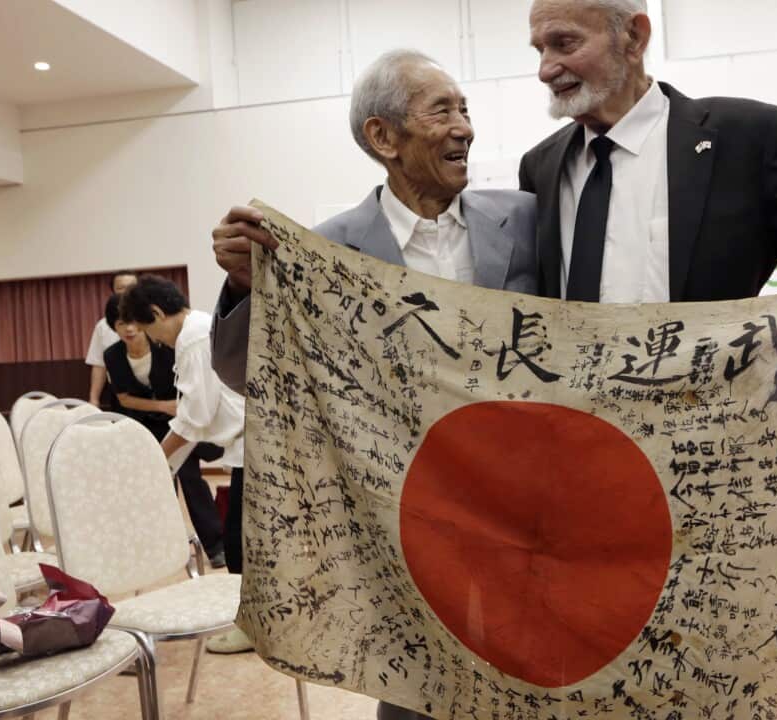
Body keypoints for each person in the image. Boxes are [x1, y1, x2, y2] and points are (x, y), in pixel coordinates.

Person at [208, 50, 538, 718]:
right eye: (441, 110)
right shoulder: (323, 250)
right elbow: (249, 373)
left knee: (530, 676)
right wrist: (246, 286)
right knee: (418, 687)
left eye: (465, 108)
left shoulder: (529, 219)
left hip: (521, 507)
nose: (464, 127)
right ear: (383, 137)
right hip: (401, 517)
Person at [518, 0, 777, 328]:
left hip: (701, 408)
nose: (545, 70)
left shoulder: (744, 141)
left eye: (564, 43)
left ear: (634, 37)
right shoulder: (541, 168)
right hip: (568, 410)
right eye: (540, 50)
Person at [118, 276, 248, 653]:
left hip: (252, 445)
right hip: (248, 443)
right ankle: (255, 623)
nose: (155, 340)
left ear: (157, 313)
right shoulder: (202, 325)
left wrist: (154, 464)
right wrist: (164, 468)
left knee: (240, 545)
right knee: (243, 541)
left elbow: (194, 417)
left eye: (149, 330)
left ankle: (250, 628)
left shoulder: (192, 339)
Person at [102, 294, 226, 568]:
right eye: (121, 324)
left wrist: (176, 412)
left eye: (133, 323)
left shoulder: (168, 345)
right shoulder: (112, 355)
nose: (129, 329)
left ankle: (216, 546)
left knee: (190, 478)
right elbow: (123, 399)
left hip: (178, 425)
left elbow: (191, 401)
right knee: (154, 487)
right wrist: (162, 406)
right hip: (141, 428)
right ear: (113, 327)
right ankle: (160, 551)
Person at [86, 271, 139, 407]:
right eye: (121, 288)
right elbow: (99, 364)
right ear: (113, 292)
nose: (127, 292)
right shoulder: (103, 326)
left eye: (131, 287)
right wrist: (94, 399)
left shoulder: (151, 319)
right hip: (119, 392)